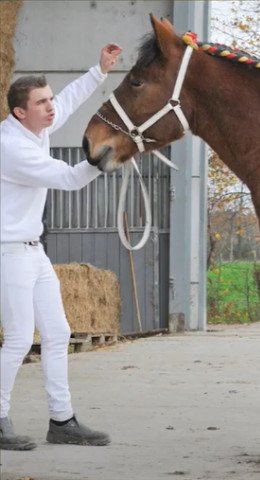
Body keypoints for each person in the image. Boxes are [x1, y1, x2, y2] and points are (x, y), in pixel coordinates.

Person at [0, 43, 122, 450]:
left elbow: (69, 101)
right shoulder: (11, 147)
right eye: (41, 103)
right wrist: (101, 159)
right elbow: (70, 178)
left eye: (49, 98)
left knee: (57, 331)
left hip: (32, 250)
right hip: (8, 250)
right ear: (20, 112)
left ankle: (62, 420)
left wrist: (100, 71)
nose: (51, 107)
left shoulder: (35, 128)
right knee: (18, 338)